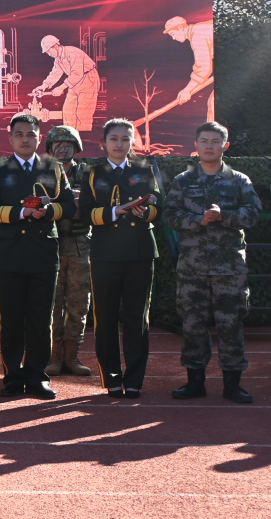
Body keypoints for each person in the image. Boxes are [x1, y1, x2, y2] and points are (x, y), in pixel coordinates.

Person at [0, 114, 77, 400]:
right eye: (19, 134)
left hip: (43, 253)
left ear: (38, 138)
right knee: (11, 320)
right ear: (10, 138)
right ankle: (12, 377)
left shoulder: (52, 168)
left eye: (30, 134)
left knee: (40, 320)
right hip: (10, 254)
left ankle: (37, 377)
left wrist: (49, 211)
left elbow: (69, 206)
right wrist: (22, 212)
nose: (25, 139)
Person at [164, 122, 261, 404]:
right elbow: (169, 215)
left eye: (215, 141)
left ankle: (233, 385)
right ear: (196, 145)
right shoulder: (183, 181)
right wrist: (199, 220)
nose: (209, 145)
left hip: (229, 269)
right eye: (204, 141)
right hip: (192, 269)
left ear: (225, 146)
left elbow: (253, 213)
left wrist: (224, 216)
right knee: (192, 325)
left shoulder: (239, 180)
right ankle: (195, 382)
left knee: (231, 326)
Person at [79, 118, 162, 398]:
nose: (119, 144)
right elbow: (85, 213)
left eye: (125, 139)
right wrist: (116, 211)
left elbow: (158, 205)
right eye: (114, 139)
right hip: (105, 253)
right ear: (103, 143)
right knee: (105, 318)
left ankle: (134, 379)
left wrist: (145, 211)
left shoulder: (144, 169)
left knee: (137, 318)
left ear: (132, 142)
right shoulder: (92, 173)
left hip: (140, 252)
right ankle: (112, 378)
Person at [44, 125, 94, 377]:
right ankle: (53, 357)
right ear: (50, 148)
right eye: (58, 145)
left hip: (80, 246)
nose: (63, 149)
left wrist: (82, 201)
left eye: (68, 145)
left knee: (78, 304)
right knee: (52, 305)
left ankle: (72, 356)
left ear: (76, 148)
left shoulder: (89, 174)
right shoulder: (41, 174)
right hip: (50, 246)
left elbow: (101, 207)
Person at [30, 36, 100, 132]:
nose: (49, 54)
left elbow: (77, 73)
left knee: (83, 113)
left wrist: (61, 87)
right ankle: (69, 135)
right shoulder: (58, 59)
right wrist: (44, 85)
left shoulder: (73, 53)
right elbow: (55, 73)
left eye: (49, 51)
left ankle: (84, 137)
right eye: (47, 53)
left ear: (56, 46)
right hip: (74, 81)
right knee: (68, 111)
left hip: (88, 79)